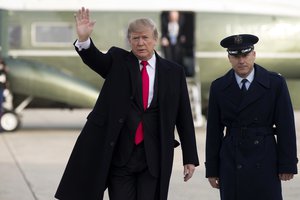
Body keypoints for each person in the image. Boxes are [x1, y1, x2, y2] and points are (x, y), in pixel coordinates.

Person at [55, 7, 199, 200]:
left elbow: (184, 116)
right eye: (135, 38)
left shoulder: (173, 72)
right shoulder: (118, 61)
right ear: (129, 41)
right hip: (121, 156)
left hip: (154, 157)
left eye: (145, 38)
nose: (140, 43)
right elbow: (96, 59)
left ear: (155, 39)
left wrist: (190, 158)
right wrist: (83, 40)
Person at [205, 34, 298, 200]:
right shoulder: (219, 87)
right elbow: (213, 132)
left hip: (265, 158)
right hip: (231, 161)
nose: (241, 61)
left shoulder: (275, 83)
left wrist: (287, 164)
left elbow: (286, 126)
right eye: (236, 56)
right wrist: (212, 169)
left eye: (245, 55)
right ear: (229, 58)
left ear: (254, 55)